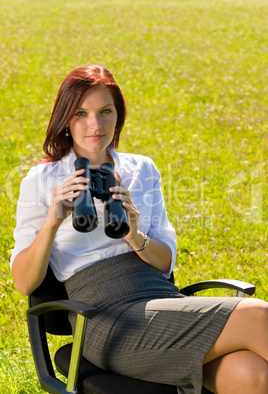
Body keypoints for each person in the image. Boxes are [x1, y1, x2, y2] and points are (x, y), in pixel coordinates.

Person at [10, 65, 268, 394]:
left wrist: (134, 234)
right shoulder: (42, 180)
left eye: (106, 111)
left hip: (160, 299)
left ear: (118, 115)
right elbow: (23, 281)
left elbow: (163, 263)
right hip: (103, 318)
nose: (95, 124)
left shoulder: (141, 169)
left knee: (253, 374)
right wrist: (52, 221)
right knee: (258, 316)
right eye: (81, 113)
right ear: (65, 120)